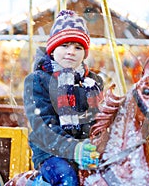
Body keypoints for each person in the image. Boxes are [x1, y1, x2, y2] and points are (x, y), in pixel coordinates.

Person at [23, 10, 104, 185]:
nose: (71, 52)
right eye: (64, 46)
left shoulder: (93, 82)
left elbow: (99, 118)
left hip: (88, 148)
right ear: (52, 50)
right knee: (67, 178)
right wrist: (73, 149)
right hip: (50, 151)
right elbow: (42, 125)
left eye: (78, 47)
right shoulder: (38, 80)